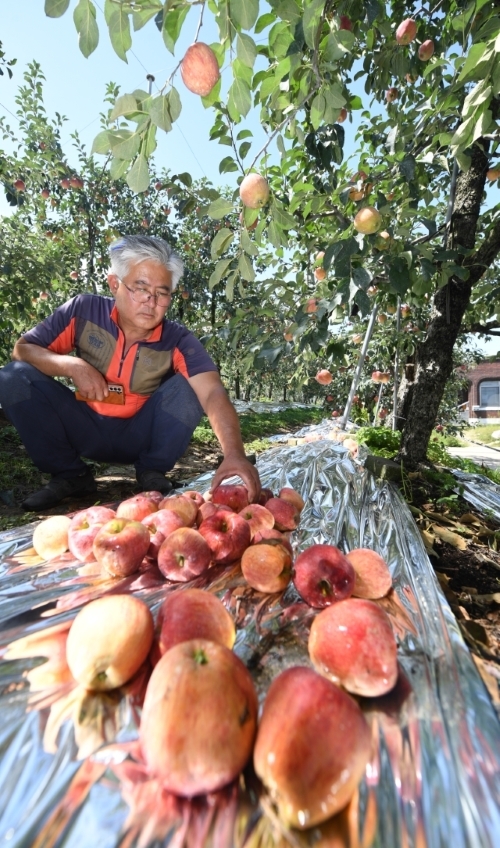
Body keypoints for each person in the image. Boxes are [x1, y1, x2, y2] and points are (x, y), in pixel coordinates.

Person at [0, 235, 261, 510]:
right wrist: (71, 365)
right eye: (140, 288)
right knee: (13, 377)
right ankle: (70, 474)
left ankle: (151, 470)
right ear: (115, 284)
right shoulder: (83, 311)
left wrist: (235, 454)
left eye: (162, 293)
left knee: (189, 387)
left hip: (138, 434)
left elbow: (212, 391)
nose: (151, 302)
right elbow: (23, 350)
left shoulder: (178, 339)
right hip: (83, 424)